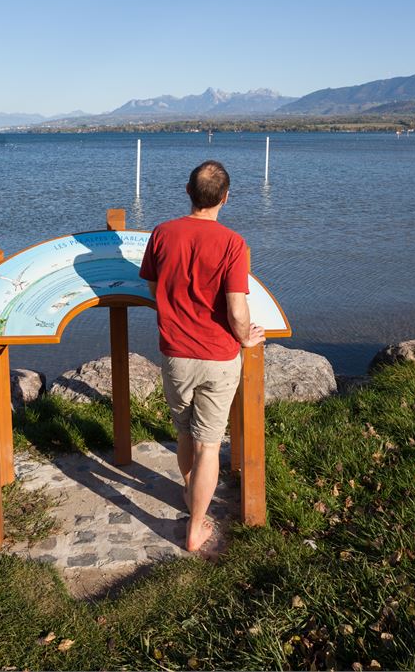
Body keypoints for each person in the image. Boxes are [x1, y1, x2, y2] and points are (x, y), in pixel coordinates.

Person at [139, 160, 265, 552]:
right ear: (225, 198)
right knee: (209, 443)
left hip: (176, 353)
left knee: (183, 431)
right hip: (218, 356)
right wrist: (245, 337)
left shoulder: (162, 233)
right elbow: (236, 308)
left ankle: (188, 490)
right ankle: (196, 526)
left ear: (187, 191)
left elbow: (151, 287)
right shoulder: (232, 243)